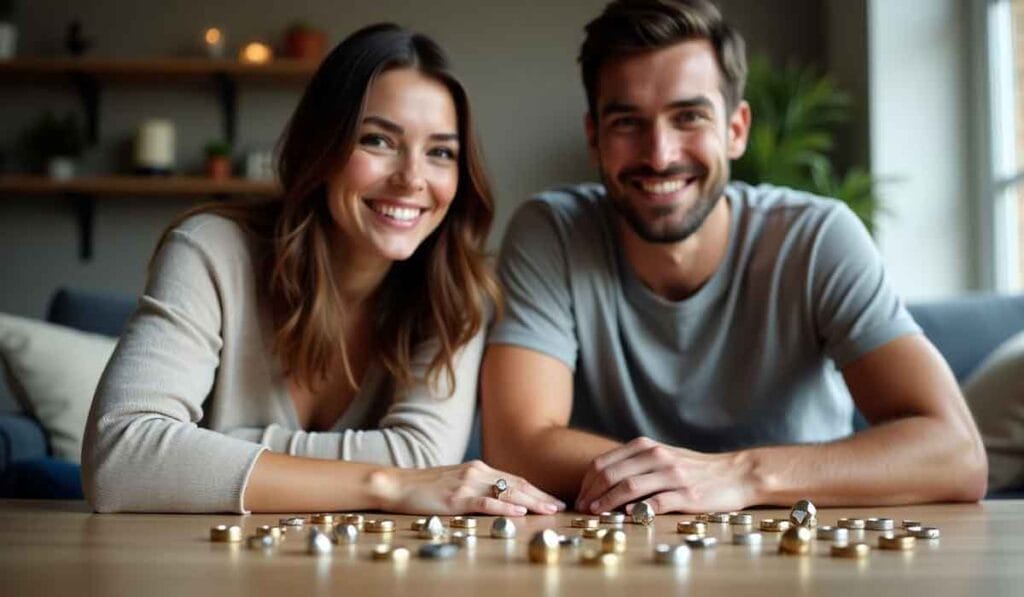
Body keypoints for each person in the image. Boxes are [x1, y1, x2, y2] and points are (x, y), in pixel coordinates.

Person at [481, 0, 987, 515]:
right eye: (628, 122)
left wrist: (738, 476)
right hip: (615, 551)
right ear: (594, 137)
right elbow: (516, 444)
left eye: (689, 117)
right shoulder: (553, 233)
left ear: (736, 129)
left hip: (801, 546)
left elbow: (956, 453)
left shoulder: (815, 237)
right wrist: (687, 482)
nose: (660, 154)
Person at [82, 23, 563, 516]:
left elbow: (424, 457)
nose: (412, 179)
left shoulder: (456, 291)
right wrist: (387, 485)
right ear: (323, 146)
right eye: (378, 140)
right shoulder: (211, 250)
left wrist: (210, 447)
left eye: (440, 152)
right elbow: (121, 457)